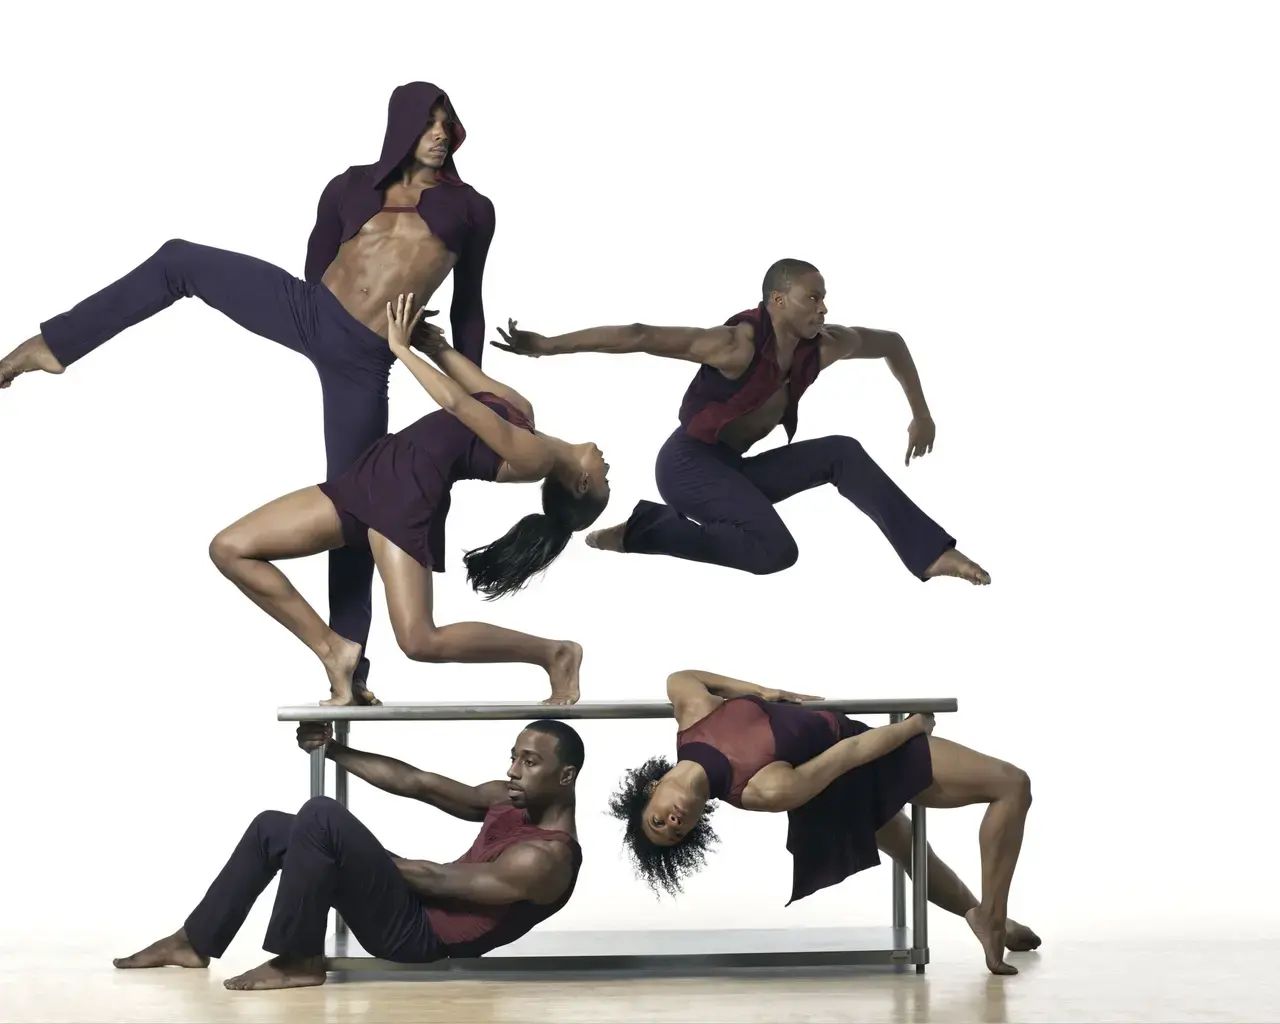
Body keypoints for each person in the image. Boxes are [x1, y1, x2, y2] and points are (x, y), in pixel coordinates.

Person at [0, 81, 496, 704]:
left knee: (359, 505)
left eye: (446, 121)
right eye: (426, 121)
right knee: (180, 258)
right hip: (313, 313)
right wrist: (326, 308)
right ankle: (54, 346)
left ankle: (348, 667)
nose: (438, 132)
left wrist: (473, 401)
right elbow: (318, 257)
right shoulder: (348, 185)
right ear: (400, 125)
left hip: (365, 360)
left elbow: (469, 305)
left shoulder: (471, 208)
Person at [208, 294, 609, 706]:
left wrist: (399, 348)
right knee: (230, 548)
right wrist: (423, 338)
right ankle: (334, 650)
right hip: (370, 475)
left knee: (419, 640)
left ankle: (553, 653)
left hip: (406, 496)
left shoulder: (533, 458)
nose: (608, 469)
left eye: (605, 482)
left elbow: (457, 403)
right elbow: (443, 354)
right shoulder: (523, 413)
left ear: (580, 484)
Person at [491, 258, 989, 585]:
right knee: (776, 550)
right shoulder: (734, 345)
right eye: (811, 298)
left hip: (731, 468)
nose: (823, 307)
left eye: (824, 297)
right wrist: (549, 345)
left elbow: (893, 344)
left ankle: (928, 553)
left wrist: (920, 414)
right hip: (686, 466)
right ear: (778, 301)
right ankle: (646, 531)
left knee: (842, 452)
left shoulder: (829, 344)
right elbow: (639, 335)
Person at [608, 668, 1037, 976]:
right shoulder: (761, 790)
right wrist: (913, 727)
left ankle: (978, 915)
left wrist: (764, 690)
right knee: (1012, 785)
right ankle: (994, 916)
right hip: (862, 761)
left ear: (650, 790)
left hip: (852, 760)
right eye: (677, 832)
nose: (673, 823)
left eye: (659, 821)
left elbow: (681, 674)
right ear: (698, 824)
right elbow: (848, 756)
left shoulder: (693, 712)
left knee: (913, 851)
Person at [113, 717, 584, 991]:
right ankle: (193, 943)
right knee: (275, 828)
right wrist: (334, 750)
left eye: (530, 761)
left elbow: (438, 881)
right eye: (515, 756)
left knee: (321, 817)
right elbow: (417, 783)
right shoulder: (509, 798)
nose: (513, 770)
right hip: (411, 904)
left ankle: (299, 961)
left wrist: (350, 855)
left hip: (418, 938)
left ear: (565, 777)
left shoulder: (546, 860)